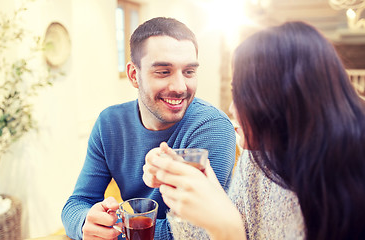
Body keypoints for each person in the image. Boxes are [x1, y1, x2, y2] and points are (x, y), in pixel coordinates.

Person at [145, 21, 365, 240]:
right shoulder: (256, 157)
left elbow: (232, 231)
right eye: (163, 71)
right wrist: (205, 196)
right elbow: (225, 226)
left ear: (279, 101)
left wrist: (228, 232)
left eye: (241, 94)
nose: (232, 108)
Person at [61, 17, 236, 240]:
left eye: (189, 71)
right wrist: (87, 222)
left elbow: (195, 231)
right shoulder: (109, 123)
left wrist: (117, 229)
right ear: (134, 75)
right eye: (163, 72)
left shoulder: (212, 127)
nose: (180, 87)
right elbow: (77, 203)